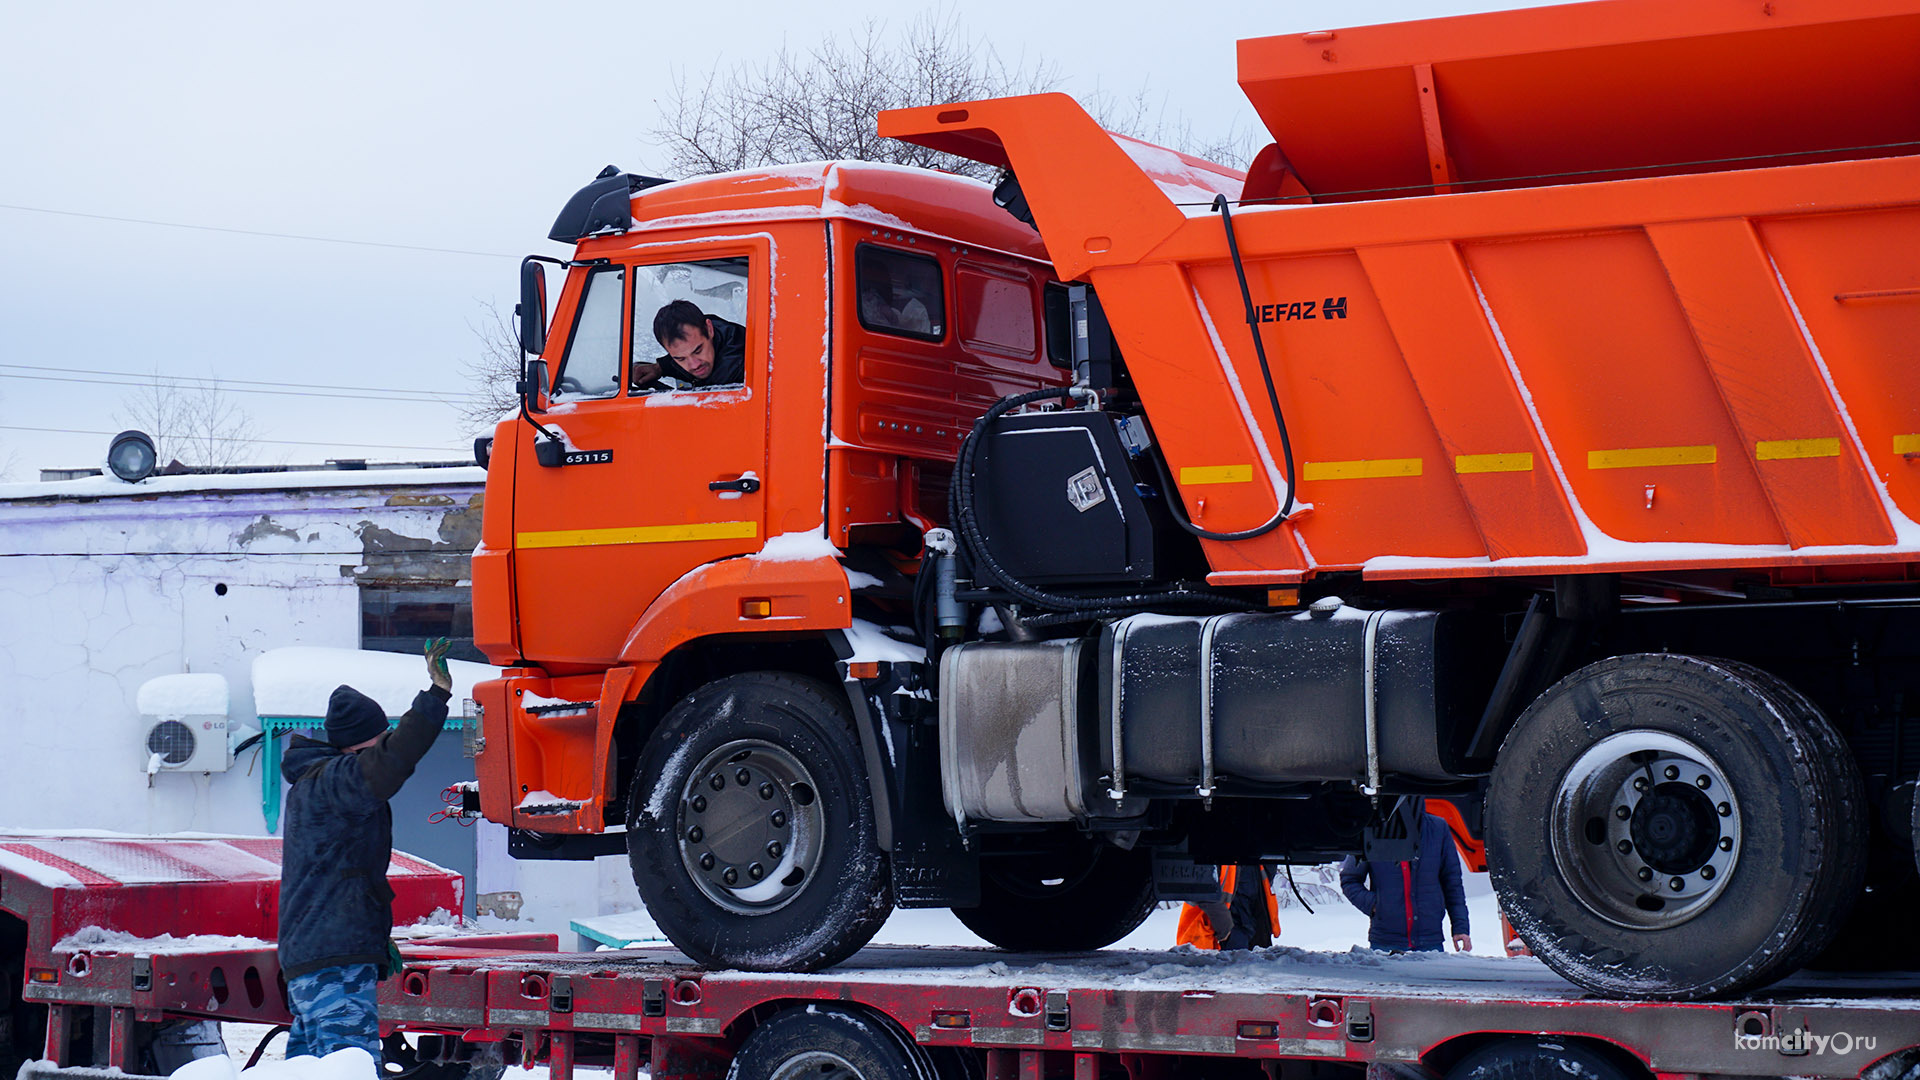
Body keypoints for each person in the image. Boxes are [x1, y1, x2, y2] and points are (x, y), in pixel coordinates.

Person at [277, 638, 455, 1060]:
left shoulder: (319, 784)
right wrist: (436, 697)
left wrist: (372, 939)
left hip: (316, 957)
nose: (385, 746)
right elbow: (392, 761)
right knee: (349, 1066)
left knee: (313, 1070)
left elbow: (345, 875)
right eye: (380, 741)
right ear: (356, 749)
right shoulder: (336, 781)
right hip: (334, 964)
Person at [1339, 807, 1473, 953]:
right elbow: (1350, 880)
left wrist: (1460, 927)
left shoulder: (1438, 829)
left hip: (1430, 943)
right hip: (1385, 943)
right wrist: (1375, 905)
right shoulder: (1372, 829)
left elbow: (1452, 883)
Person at [1176, 863, 1280, 950]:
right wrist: (1223, 925)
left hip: (1248, 930)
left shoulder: (1257, 860)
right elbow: (1201, 888)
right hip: (1208, 941)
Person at [652, 299, 746, 387]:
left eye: (698, 351)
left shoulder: (741, 367)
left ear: (709, 329)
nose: (694, 365)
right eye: (680, 359)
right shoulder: (710, 335)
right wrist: (659, 368)